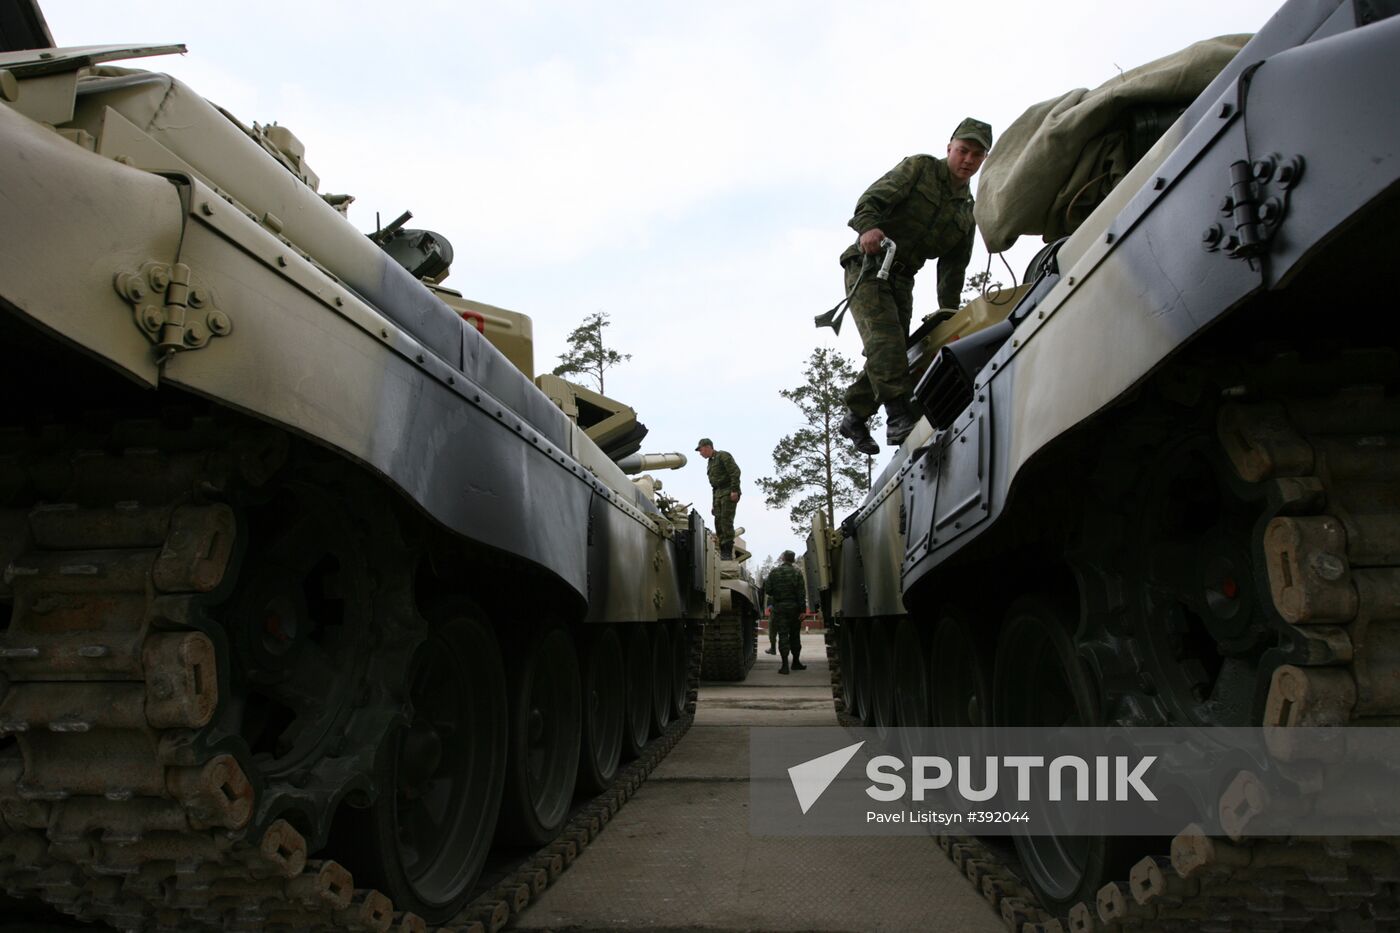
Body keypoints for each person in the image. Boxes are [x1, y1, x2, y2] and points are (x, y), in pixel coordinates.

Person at [836, 118, 993, 455]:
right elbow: (872, 198)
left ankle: (855, 414)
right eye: (963, 150)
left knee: (895, 352)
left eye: (977, 155)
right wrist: (868, 228)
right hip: (869, 264)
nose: (968, 160)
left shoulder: (967, 211)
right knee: (885, 344)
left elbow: (954, 267)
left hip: (903, 278)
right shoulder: (920, 169)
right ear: (949, 148)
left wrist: (950, 312)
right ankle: (898, 417)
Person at [696, 438, 740, 559]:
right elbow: (714, 485)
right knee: (718, 523)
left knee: (726, 521)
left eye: (701, 450)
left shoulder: (723, 456)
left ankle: (727, 551)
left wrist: (734, 490)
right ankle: (722, 550)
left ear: (707, 447)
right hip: (718, 494)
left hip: (728, 491)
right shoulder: (710, 462)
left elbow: (735, 472)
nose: (700, 453)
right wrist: (713, 503)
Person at [765, 550, 806, 675]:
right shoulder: (797, 573)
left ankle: (784, 666)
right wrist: (803, 610)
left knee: (783, 636)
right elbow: (801, 593)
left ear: (783, 558)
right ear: (793, 560)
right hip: (794, 608)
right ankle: (796, 662)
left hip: (779, 609)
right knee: (795, 636)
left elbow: (768, 590)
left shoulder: (774, 572)